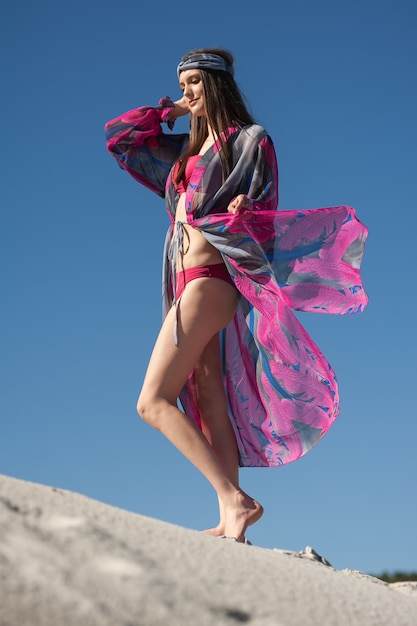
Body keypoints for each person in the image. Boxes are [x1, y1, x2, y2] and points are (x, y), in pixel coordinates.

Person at [105, 49, 368, 543]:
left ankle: (235, 499)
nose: (187, 92)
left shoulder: (249, 141)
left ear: (217, 84)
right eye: (181, 84)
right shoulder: (184, 154)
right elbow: (121, 137)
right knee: (208, 399)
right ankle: (233, 525)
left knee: (153, 400)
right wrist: (172, 111)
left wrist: (247, 206)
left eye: (194, 84)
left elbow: (265, 207)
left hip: (212, 280)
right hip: (180, 282)